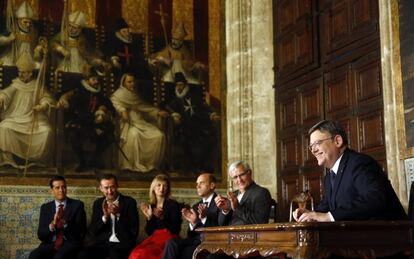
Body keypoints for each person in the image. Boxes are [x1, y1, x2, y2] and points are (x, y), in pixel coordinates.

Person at [293, 120, 407, 222]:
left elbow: (375, 200)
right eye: (311, 146)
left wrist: (330, 216)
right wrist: (309, 214)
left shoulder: (360, 163)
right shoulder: (329, 177)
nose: (313, 150)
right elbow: (326, 208)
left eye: (317, 143)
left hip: (390, 237)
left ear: (337, 141)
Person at [0, 51, 55, 168]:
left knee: (47, 131)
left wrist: (42, 106)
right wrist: (1, 98)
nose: (21, 75)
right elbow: (6, 94)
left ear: (30, 73)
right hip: (16, 118)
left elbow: (47, 98)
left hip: (34, 119)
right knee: (4, 128)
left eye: (23, 73)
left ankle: (38, 161)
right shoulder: (15, 85)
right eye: (19, 72)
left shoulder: (37, 85)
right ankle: (8, 160)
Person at [57, 66, 115, 172]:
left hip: (95, 125)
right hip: (80, 123)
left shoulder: (100, 94)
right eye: (93, 79)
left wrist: (102, 111)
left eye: (97, 80)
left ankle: (93, 159)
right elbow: (73, 109)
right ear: (87, 81)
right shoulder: (79, 92)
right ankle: (82, 161)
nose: (96, 82)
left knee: (109, 136)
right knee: (73, 136)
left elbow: (109, 106)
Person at [110, 73, 168, 172]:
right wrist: (122, 110)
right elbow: (115, 105)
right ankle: (130, 165)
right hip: (127, 125)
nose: (132, 84)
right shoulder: (118, 95)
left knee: (159, 135)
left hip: (141, 123)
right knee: (134, 135)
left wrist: (158, 112)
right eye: (129, 82)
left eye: (133, 82)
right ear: (123, 83)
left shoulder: (135, 95)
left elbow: (144, 107)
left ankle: (150, 164)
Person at [166, 72, 220, 172]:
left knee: (206, 140)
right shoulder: (176, 99)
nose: (179, 87)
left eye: (181, 85)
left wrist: (212, 114)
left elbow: (204, 107)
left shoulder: (193, 96)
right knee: (185, 141)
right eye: (177, 85)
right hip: (183, 129)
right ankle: (190, 168)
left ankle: (201, 167)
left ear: (185, 85)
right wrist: (174, 114)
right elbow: (167, 107)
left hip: (198, 126)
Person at [78, 174, 139, 259]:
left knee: (114, 255)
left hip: (122, 244)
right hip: (103, 243)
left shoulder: (130, 202)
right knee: (82, 255)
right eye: (106, 188)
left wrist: (118, 215)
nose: (110, 191)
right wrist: (105, 218)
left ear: (117, 186)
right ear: (101, 188)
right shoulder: (98, 203)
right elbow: (93, 230)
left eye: (112, 187)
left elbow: (134, 232)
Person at [162, 173, 220, 259]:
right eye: (197, 184)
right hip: (195, 240)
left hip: (210, 241)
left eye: (201, 183)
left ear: (212, 185)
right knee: (171, 243)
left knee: (186, 253)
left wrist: (204, 218)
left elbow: (221, 227)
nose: (197, 186)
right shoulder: (195, 206)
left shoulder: (220, 203)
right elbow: (190, 235)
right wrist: (193, 223)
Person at [29, 175, 86, 259]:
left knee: (59, 257)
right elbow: (41, 235)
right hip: (50, 243)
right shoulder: (45, 207)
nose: (61, 190)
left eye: (63, 187)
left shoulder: (77, 205)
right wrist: (52, 225)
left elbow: (81, 230)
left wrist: (64, 222)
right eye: (57, 188)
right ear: (52, 190)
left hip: (69, 242)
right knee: (34, 255)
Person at [129, 174, 182, 259]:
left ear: (167, 189)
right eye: (159, 185)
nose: (161, 188)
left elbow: (176, 230)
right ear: (153, 188)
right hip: (155, 238)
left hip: (169, 238)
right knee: (136, 253)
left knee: (146, 253)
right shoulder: (151, 206)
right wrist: (149, 218)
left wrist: (162, 218)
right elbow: (149, 232)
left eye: (165, 186)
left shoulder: (173, 205)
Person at [214, 160, 272, 226]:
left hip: (250, 234)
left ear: (249, 173)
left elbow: (260, 221)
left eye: (242, 175)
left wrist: (237, 207)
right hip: (230, 234)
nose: (239, 180)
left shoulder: (261, 193)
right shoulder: (233, 195)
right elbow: (221, 224)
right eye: (235, 177)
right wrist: (225, 210)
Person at [0, 1, 38, 66]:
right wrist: (8, 39)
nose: (28, 25)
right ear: (19, 21)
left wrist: (38, 48)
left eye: (29, 22)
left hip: (29, 58)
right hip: (13, 58)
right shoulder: (12, 29)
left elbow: (36, 44)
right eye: (25, 22)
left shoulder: (33, 32)